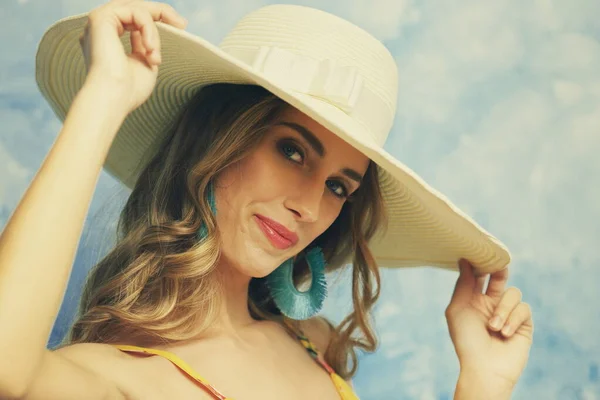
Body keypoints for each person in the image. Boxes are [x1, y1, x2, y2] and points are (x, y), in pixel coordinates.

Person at [0, 0, 534, 399]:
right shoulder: (115, 377)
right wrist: (103, 100)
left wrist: (482, 385)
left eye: (338, 186)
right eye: (292, 151)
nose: (309, 205)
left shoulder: (315, 343)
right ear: (216, 140)